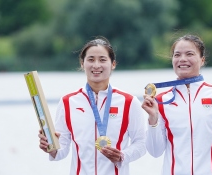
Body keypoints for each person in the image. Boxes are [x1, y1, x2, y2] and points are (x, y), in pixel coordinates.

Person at [142, 34, 212, 175]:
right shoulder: (161, 100)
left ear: (202, 60)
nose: (182, 59)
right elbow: (155, 152)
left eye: (189, 54)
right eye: (177, 55)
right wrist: (153, 119)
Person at [39, 37, 146, 175]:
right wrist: (51, 148)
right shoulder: (68, 102)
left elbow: (141, 143)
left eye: (102, 59)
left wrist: (122, 156)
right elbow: (62, 150)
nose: (96, 65)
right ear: (82, 63)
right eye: (90, 59)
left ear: (113, 64)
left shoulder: (129, 102)